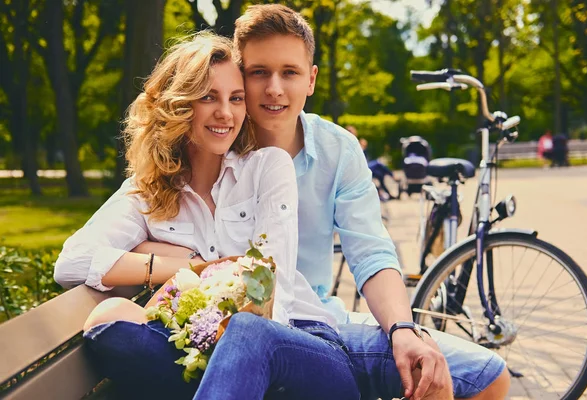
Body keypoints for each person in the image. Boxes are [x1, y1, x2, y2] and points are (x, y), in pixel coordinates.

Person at [54, 33, 359, 400]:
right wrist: (185, 264)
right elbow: (72, 261)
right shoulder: (146, 193)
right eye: (208, 97)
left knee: (248, 331)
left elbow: (267, 284)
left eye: (236, 98)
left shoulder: (266, 168)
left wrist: (198, 275)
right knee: (112, 318)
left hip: (297, 344)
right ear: (179, 105)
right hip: (204, 355)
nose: (225, 113)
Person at [232, 5, 510, 400]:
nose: (274, 87)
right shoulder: (216, 141)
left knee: (488, 376)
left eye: (289, 72)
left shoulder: (338, 149)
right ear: (240, 77)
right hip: (239, 327)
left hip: (321, 323)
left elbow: (371, 253)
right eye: (259, 72)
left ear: (310, 79)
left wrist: (401, 329)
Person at [346, 125, 400, 200]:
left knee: (380, 175)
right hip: (361, 167)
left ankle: (388, 194)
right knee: (378, 163)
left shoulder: (356, 142)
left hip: (365, 165)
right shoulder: (349, 144)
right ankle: (392, 176)